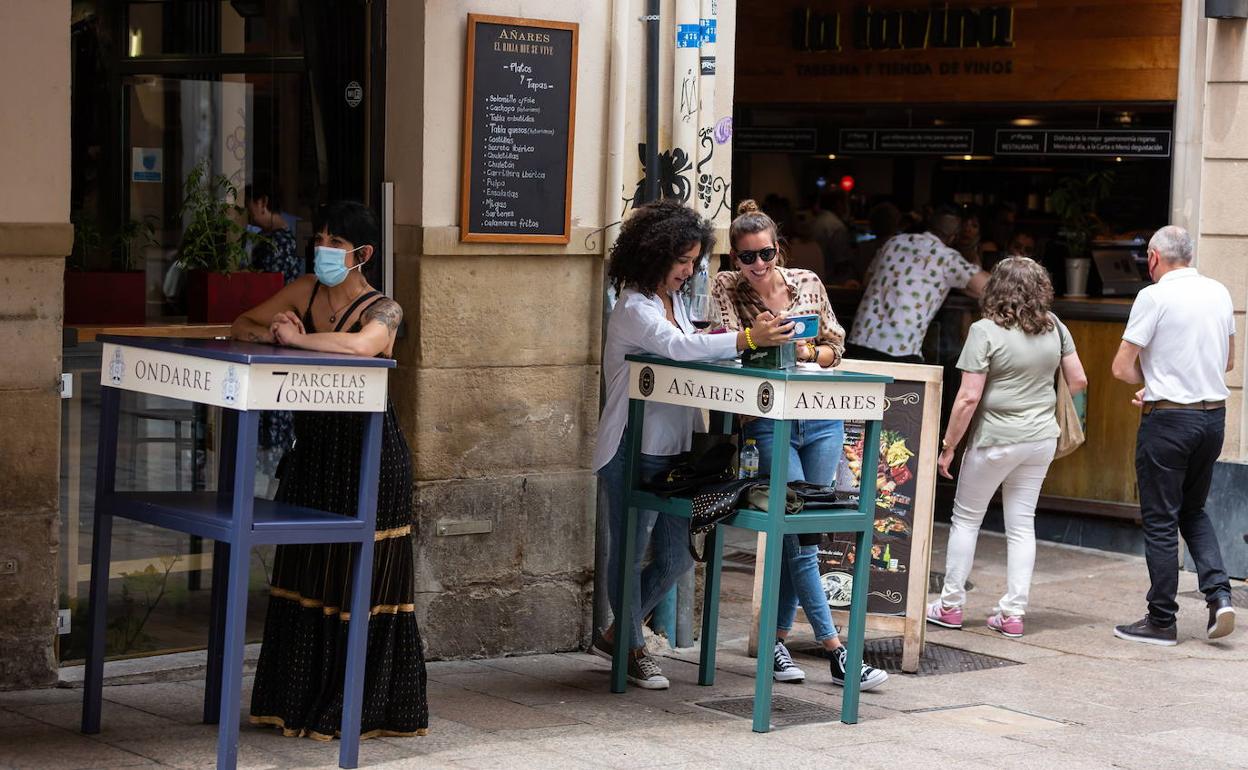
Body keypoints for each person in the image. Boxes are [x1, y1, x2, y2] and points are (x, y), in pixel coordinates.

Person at [230, 201, 428, 739]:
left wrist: (297, 340)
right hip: (314, 452)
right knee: (307, 571)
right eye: (319, 238)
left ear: (361, 254)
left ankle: (359, 709)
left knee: (359, 581)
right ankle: (294, 704)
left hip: (369, 455)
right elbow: (241, 324)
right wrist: (273, 328)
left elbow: (365, 347)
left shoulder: (384, 307)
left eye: (335, 243)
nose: (323, 250)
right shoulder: (305, 291)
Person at [592, 199, 795, 689]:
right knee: (629, 547)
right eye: (680, 260)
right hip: (629, 444)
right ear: (652, 255)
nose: (688, 270)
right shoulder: (634, 308)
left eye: (693, 261)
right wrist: (746, 339)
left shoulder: (678, 304)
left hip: (676, 448)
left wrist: (733, 343)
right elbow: (679, 348)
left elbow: (694, 345)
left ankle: (620, 633)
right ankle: (633, 648)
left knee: (679, 553)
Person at [711, 200, 889, 691]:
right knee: (796, 527)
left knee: (800, 531)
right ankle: (837, 652)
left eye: (766, 253)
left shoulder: (807, 282)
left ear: (778, 248)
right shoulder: (726, 286)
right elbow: (725, 343)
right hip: (766, 419)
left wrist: (816, 351)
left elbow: (839, 343)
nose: (759, 265)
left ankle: (775, 641)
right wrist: (756, 334)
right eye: (747, 257)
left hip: (822, 417)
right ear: (734, 258)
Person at [927, 257, 1087, 638]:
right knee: (1021, 524)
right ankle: (1013, 614)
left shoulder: (984, 331)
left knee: (967, 520)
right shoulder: (1055, 327)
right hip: (1040, 440)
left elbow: (967, 398)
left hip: (996, 440)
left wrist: (948, 445)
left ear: (995, 289)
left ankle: (950, 606)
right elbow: (1078, 379)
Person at [1110, 225, 1237, 646]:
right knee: (1193, 510)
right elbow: (1228, 362)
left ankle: (1161, 619)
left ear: (1153, 258)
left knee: (1161, 519)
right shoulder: (1219, 291)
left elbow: (1121, 367)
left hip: (1168, 422)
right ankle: (1220, 596)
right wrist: (1167, 378)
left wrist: (1154, 382)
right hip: (1212, 418)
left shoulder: (1154, 296)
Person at [846, 206, 990, 363]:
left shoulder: (893, 242)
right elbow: (988, 288)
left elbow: (867, 281)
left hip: (858, 343)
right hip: (899, 353)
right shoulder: (948, 258)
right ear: (953, 237)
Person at [244, 179, 303, 474]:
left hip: (274, 332)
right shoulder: (284, 238)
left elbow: (261, 287)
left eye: (250, 205)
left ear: (262, 202)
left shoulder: (276, 242)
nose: (248, 213)